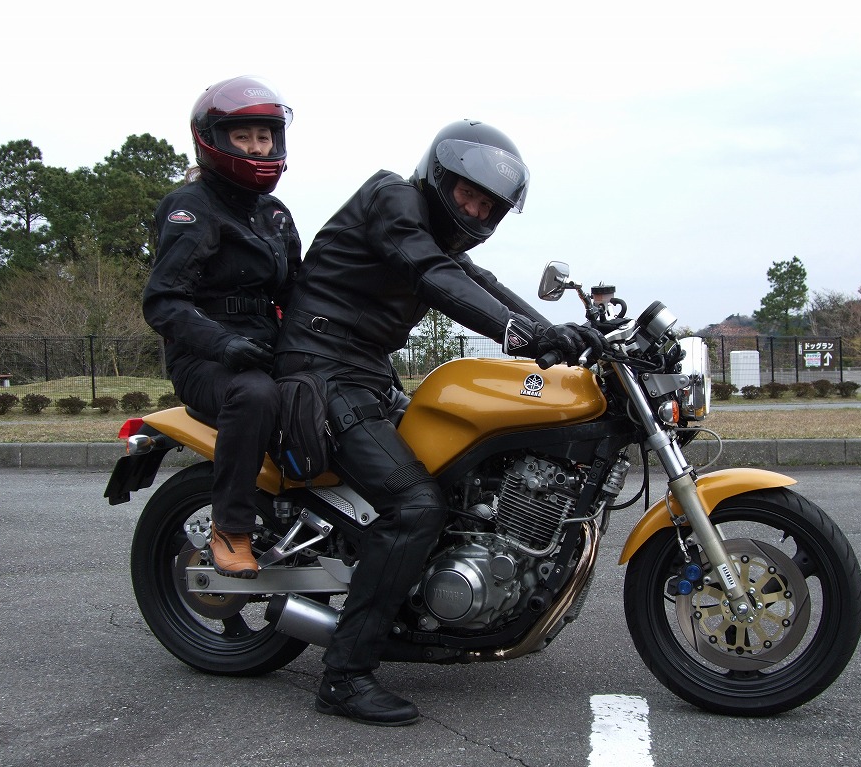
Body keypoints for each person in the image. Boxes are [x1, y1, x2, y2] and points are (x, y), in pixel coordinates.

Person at [273, 118, 604, 726]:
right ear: (438, 178)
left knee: (458, 481)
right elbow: (433, 273)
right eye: (467, 195)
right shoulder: (392, 200)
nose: (474, 211)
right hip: (320, 373)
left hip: (366, 376)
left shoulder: (436, 240)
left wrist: (563, 338)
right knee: (413, 506)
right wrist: (521, 334)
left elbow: (480, 281)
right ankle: (344, 676)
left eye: (487, 205)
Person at [143, 76, 302, 579]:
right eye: (243, 136)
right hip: (205, 358)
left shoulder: (275, 215)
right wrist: (223, 342)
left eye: (264, 136)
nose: (257, 147)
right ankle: (230, 528)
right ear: (213, 140)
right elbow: (163, 301)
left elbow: (298, 295)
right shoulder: (191, 208)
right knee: (254, 395)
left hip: (264, 347)